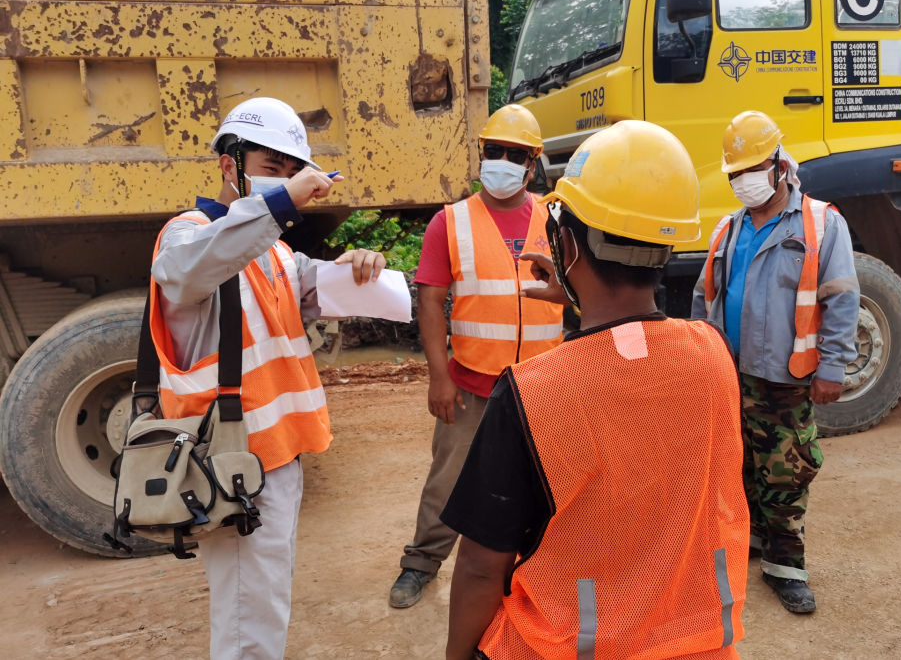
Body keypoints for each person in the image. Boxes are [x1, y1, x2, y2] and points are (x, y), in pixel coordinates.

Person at [442, 120, 749, 659]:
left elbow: (480, 565)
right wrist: (583, 290)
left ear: (565, 245)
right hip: (695, 645)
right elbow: (635, 356)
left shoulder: (532, 391)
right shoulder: (712, 353)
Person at [149, 96, 385, 659]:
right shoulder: (190, 235)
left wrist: (358, 264)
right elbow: (187, 272)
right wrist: (282, 202)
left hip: (275, 458)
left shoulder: (273, 250)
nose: (281, 186)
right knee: (247, 623)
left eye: (289, 173)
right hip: (232, 465)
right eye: (269, 171)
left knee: (262, 603)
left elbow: (311, 284)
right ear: (229, 167)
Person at [389, 104, 565, 608]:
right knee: (448, 480)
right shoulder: (451, 223)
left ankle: (537, 572)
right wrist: (438, 377)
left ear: (532, 164)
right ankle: (421, 563)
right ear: (482, 155)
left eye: (515, 154)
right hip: (471, 384)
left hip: (541, 385)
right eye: (495, 151)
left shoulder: (555, 217)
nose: (503, 162)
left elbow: (580, 290)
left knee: (543, 483)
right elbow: (429, 302)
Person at [691, 110, 860, 614]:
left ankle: (787, 569)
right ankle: (754, 543)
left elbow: (841, 299)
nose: (743, 181)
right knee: (737, 466)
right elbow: (705, 298)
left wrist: (833, 367)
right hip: (729, 373)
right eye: (734, 173)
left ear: (780, 164)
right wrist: (699, 359)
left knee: (785, 472)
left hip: (787, 378)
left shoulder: (822, 223)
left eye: (752, 169)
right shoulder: (726, 228)